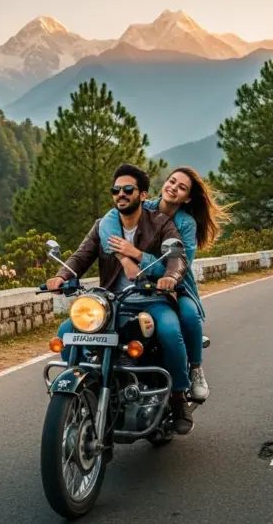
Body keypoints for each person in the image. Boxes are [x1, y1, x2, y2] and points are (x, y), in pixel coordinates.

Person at [47, 164, 195, 434]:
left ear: (142, 195)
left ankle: (178, 397)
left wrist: (170, 277)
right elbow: (81, 256)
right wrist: (61, 275)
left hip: (151, 298)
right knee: (67, 331)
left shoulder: (161, 223)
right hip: (112, 301)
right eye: (116, 190)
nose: (121, 194)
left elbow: (178, 259)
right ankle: (82, 393)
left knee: (170, 331)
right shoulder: (104, 225)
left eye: (128, 189)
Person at [100, 166, 228, 402]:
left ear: (187, 198)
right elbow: (108, 219)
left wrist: (137, 254)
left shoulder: (186, 223)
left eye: (182, 187)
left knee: (189, 317)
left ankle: (195, 370)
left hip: (175, 284)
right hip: (140, 286)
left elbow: (181, 263)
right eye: (172, 181)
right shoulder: (145, 206)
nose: (173, 188)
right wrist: (123, 258)